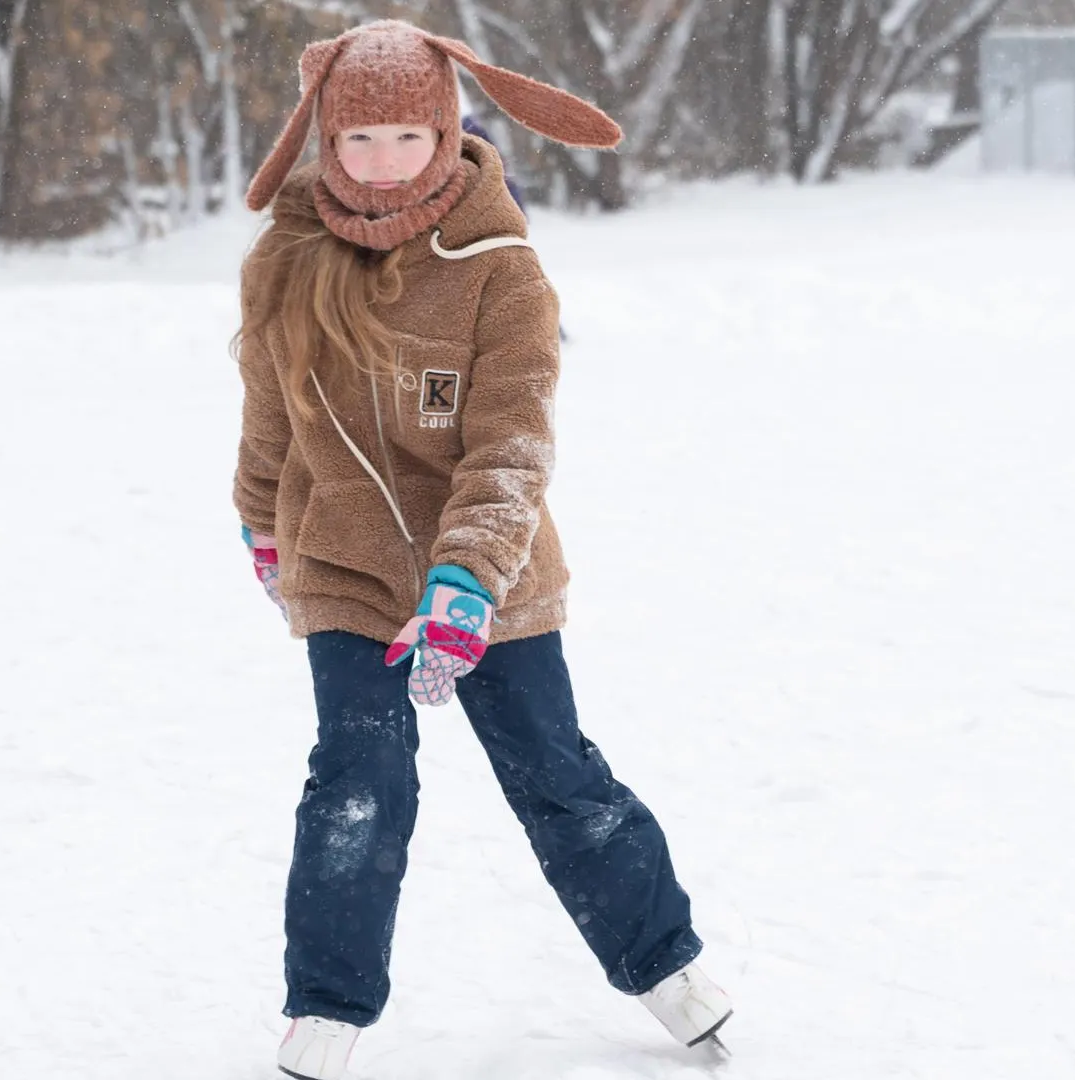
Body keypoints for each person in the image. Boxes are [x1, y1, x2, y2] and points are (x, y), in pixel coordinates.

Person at [230, 20, 733, 1080]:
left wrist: (464, 582)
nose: (379, 165)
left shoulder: (501, 270)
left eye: (406, 137)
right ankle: (325, 1006)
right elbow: (271, 410)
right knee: (356, 785)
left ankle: (665, 964)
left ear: (447, 129)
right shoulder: (285, 256)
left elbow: (510, 446)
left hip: (491, 578)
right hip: (348, 569)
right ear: (325, 134)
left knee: (556, 774)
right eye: (356, 140)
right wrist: (262, 519)